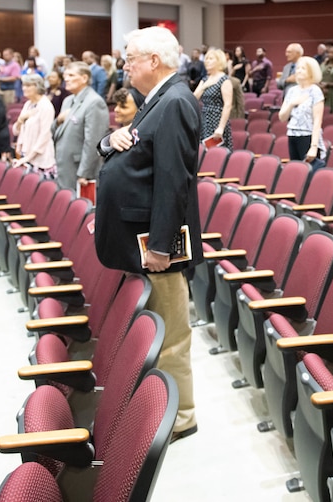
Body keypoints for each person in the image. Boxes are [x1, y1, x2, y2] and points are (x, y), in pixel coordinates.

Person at [94, 26, 203, 443]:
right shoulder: (157, 98)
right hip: (140, 237)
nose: (124, 66)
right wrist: (109, 143)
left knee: (172, 334)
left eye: (129, 58)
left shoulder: (175, 100)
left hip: (157, 244)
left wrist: (160, 245)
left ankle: (183, 417)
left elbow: (174, 180)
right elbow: (136, 154)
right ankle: (160, 404)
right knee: (157, 328)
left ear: (152, 61)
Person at [53, 61, 108, 193]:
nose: (66, 78)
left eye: (71, 75)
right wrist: (58, 121)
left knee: (80, 211)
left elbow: (93, 141)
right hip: (64, 167)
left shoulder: (94, 102)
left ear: (84, 78)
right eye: (65, 75)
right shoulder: (67, 101)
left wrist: (85, 172)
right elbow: (55, 133)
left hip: (79, 171)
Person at [278, 57, 325, 168]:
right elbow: (282, 117)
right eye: (298, 68)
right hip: (292, 135)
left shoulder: (315, 91)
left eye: (303, 68)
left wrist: (314, 147)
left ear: (311, 72)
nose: (298, 71)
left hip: (307, 136)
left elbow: (317, 121)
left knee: (309, 172)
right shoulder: (292, 91)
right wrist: (291, 104)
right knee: (297, 170)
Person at [12, 75, 56, 177]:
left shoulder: (46, 106)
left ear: (37, 87)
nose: (24, 88)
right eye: (23, 85)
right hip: (26, 154)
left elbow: (45, 135)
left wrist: (28, 158)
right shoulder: (28, 104)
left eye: (28, 85)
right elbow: (16, 131)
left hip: (40, 157)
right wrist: (20, 120)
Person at [194, 48, 234, 149]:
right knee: (203, 151)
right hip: (204, 117)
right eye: (206, 58)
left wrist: (221, 128)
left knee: (217, 152)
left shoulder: (224, 80)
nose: (207, 61)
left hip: (217, 118)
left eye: (211, 58)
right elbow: (193, 98)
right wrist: (204, 86)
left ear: (219, 61)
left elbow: (228, 105)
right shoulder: (205, 79)